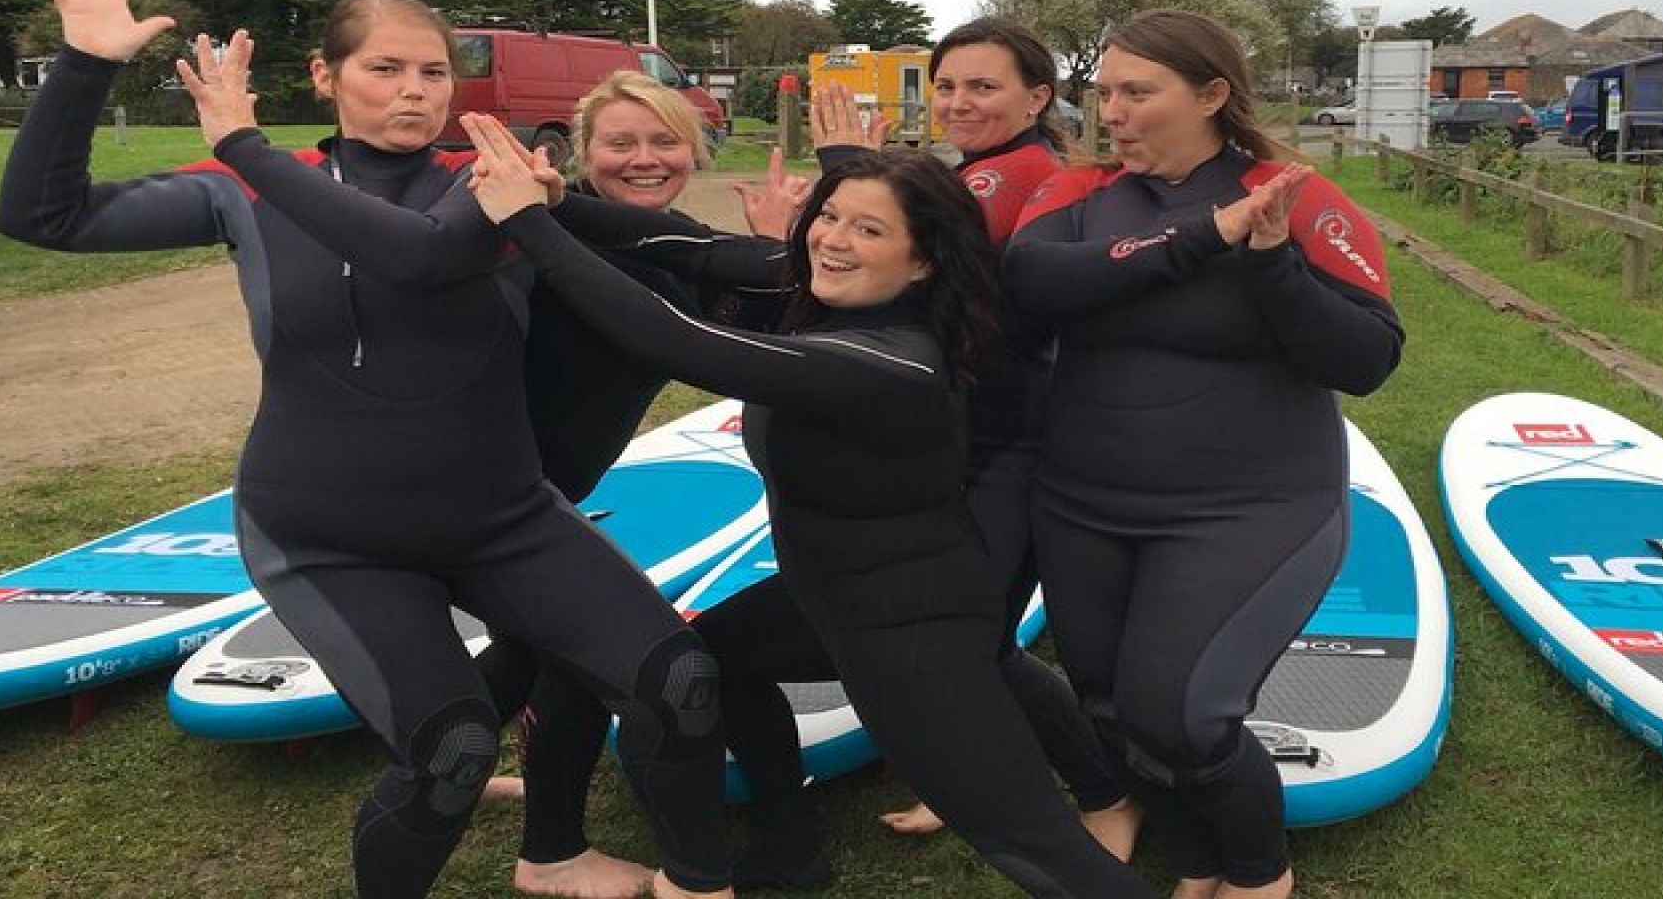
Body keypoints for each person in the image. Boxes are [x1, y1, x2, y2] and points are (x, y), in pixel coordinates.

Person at [0, 0, 731, 899]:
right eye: (385, 68)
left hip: (502, 514)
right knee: (451, 749)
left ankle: (697, 881)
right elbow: (42, 215)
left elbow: (421, 258)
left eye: (433, 71)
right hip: (328, 536)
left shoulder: (493, 177)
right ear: (326, 74)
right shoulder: (242, 193)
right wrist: (85, 65)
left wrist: (245, 145)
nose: (414, 90)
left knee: (679, 680)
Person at [463, 123, 1159, 899]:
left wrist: (527, 224)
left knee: (1029, 844)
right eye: (829, 215)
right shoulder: (830, 293)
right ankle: (791, 849)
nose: (833, 240)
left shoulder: (890, 361)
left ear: (923, 261)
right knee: (720, 661)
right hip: (824, 596)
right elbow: (694, 248)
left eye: (869, 230)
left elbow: (671, 338)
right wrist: (560, 202)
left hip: (908, 631)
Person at [1004, 8, 1405, 899]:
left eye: (1138, 92)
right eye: (1104, 92)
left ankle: (1259, 871)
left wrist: (1270, 264)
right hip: (1083, 502)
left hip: (1250, 507)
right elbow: (1033, 282)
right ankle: (1195, 855)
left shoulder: (1292, 197)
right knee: (1109, 706)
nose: (1112, 111)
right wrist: (1203, 239)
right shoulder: (1080, 192)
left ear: (1212, 94)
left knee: (1182, 714)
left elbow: (1367, 359)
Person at [806, 17, 1137, 853]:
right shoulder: (981, 167)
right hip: (967, 432)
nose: (958, 102)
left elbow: (918, 277)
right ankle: (961, 774)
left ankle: (1105, 794)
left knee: (973, 639)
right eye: (947, 85)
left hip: (1011, 439)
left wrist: (847, 173)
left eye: (983, 86)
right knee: (963, 636)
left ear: (1038, 96)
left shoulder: (1021, 172)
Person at [472, 70, 792, 899]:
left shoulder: (672, 243)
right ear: (581, 154)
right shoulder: (537, 234)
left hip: (550, 487)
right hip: (500, 492)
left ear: (694, 150)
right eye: (620, 143)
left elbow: (736, 339)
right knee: (579, 651)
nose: (645, 159)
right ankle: (549, 852)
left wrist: (772, 248)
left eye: (664, 140)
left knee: (531, 648)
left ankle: (449, 765)